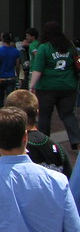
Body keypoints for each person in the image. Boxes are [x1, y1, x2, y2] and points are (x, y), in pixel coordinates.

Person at [28, 20, 80, 150]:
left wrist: (31, 86)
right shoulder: (70, 46)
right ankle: (76, 139)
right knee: (68, 114)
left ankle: (44, 141)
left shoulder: (44, 47)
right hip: (68, 85)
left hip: (47, 87)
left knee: (45, 115)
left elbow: (38, 69)